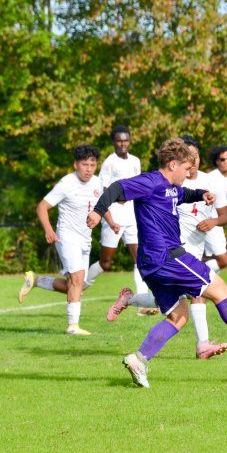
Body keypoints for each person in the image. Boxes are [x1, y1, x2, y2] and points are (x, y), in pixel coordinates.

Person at [87, 138, 227, 388]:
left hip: (152, 264)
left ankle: (139, 359)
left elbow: (183, 194)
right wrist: (97, 211)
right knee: (221, 291)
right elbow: (117, 188)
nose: (189, 172)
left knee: (179, 317)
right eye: (186, 168)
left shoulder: (171, 186)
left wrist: (201, 195)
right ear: (172, 164)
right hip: (168, 257)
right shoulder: (151, 182)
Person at [17, 145, 103, 336]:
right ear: (75, 164)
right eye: (84, 164)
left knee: (76, 286)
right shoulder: (66, 183)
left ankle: (37, 280)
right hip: (66, 236)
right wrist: (48, 230)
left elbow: (102, 204)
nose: (89, 168)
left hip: (85, 239)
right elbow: (42, 207)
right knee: (78, 279)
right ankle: (73, 326)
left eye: (92, 164)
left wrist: (111, 222)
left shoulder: (97, 182)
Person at [83, 125, 157, 315]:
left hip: (133, 217)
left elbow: (139, 187)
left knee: (140, 258)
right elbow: (105, 191)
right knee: (105, 263)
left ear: (129, 140)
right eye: (119, 140)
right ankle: (79, 287)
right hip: (114, 218)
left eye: (125, 139)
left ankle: (143, 305)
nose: (122, 143)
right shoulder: (109, 162)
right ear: (114, 141)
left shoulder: (135, 161)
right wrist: (111, 217)